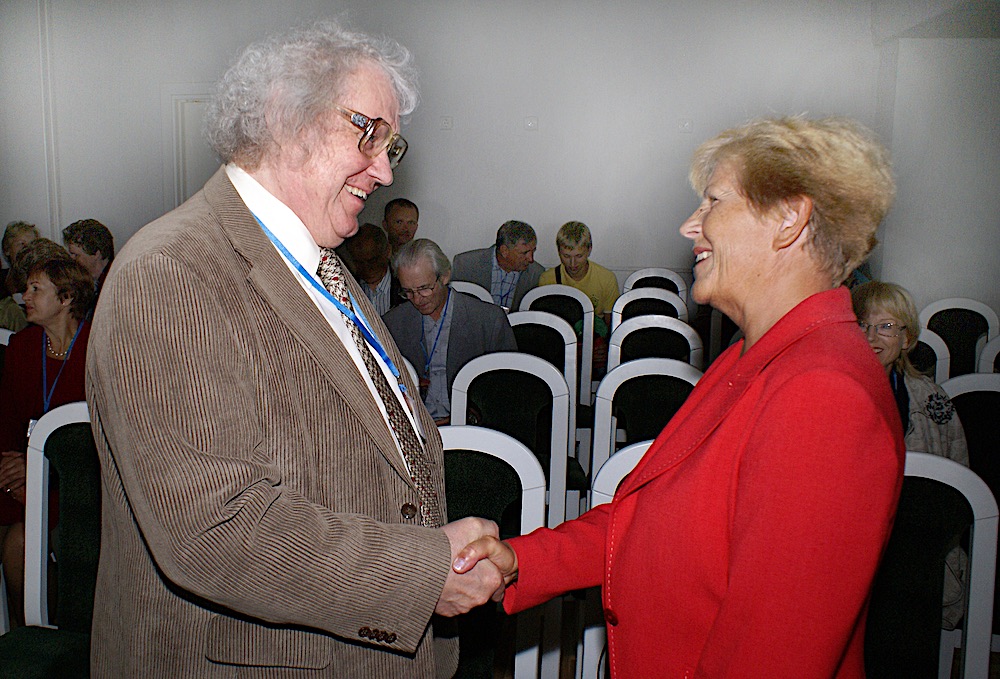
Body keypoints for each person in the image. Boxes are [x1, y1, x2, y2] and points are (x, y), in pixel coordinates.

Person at [85, 20, 501, 677]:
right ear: (284, 115)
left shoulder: (322, 264)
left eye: (392, 144)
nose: (386, 169)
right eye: (368, 133)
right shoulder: (170, 271)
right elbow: (216, 531)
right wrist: (421, 574)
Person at [456, 117, 905, 677]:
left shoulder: (825, 394)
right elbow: (646, 521)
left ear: (788, 219)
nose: (690, 225)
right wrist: (522, 560)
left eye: (713, 201)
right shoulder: (751, 358)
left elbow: (770, 656)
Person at [852, 279, 969, 629]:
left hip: (913, 542)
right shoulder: (828, 390)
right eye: (862, 325)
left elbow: (956, 482)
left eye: (886, 326)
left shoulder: (930, 398)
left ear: (907, 339)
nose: (872, 337)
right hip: (849, 540)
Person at [0, 254, 94, 627]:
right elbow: (7, 420)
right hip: (20, 478)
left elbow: (96, 444)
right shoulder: (22, 346)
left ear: (66, 297)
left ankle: (40, 636)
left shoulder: (95, 348)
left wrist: (38, 473)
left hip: (76, 484)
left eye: (35, 289)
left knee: (19, 545)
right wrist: (12, 469)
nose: (24, 296)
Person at [383, 239, 516, 426]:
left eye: (424, 289)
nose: (417, 299)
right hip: (414, 426)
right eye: (408, 292)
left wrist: (464, 417)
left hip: (472, 427)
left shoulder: (489, 320)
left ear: (445, 276)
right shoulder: (392, 323)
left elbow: (508, 390)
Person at [538, 221, 619, 327]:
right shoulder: (547, 279)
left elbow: (611, 326)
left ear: (589, 250)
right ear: (558, 252)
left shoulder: (606, 278)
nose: (573, 263)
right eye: (566, 256)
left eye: (579, 256)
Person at [452, 220, 543, 311]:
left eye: (533, 251)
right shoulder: (465, 265)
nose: (531, 259)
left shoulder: (536, 274)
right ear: (504, 251)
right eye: (524, 253)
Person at [344, 222, 405, 316]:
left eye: (372, 260)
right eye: (360, 262)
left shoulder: (405, 286)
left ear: (388, 251)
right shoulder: (345, 290)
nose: (367, 268)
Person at [1, 221, 40, 330]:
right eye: (21, 244)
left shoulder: (41, 279)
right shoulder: (2, 277)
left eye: (31, 244)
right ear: (7, 249)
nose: (27, 249)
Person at [62, 218, 114, 297]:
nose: (71, 259)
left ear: (96, 254)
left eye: (76, 255)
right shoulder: (89, 282)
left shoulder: (114, 285)